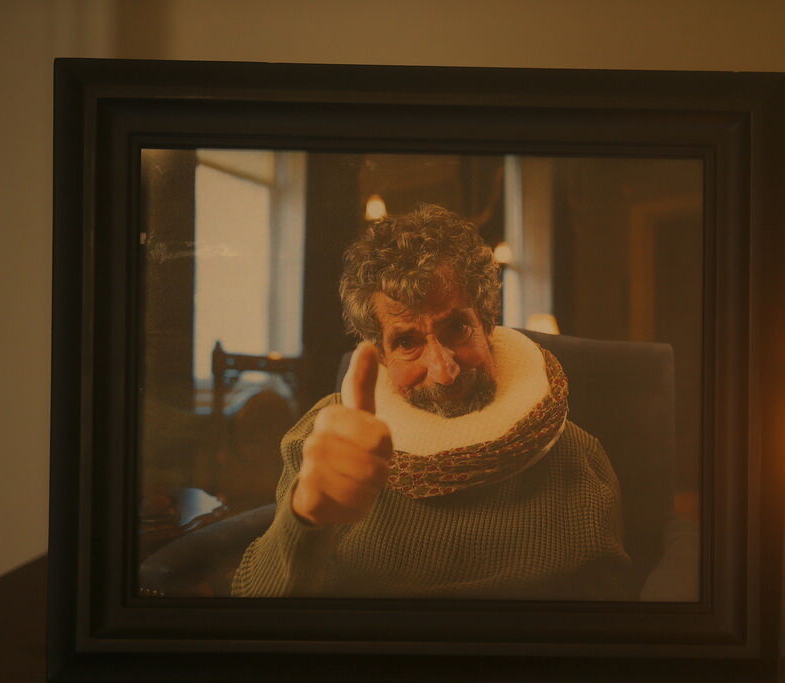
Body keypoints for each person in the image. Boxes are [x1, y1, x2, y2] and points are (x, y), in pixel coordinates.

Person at [231, 204, 631, 600]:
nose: (443, 371)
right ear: (380, 354)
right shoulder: (323, 442)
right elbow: (253, 600)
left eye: (457, 328)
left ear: (488, 324)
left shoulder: (578, 455)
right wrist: (308, 514)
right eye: (406, 341)